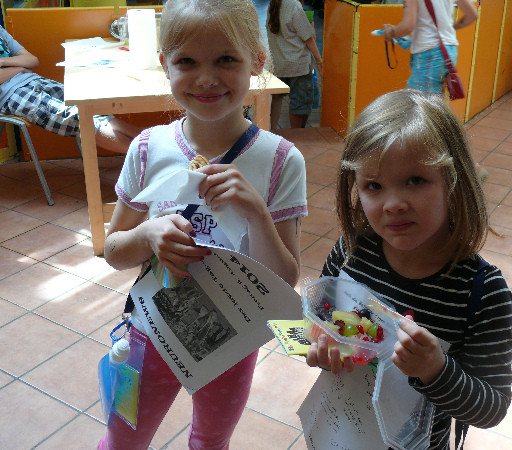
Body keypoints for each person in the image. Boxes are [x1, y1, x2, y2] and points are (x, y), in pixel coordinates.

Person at [98, 0, 307, 447]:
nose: (207, 78)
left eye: (226, 59)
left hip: (230, 342)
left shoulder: (280, 160)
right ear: (165, 65)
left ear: (257, 61)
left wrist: (257, 213)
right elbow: (113, 251)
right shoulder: (147, 149)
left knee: (210, 442)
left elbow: (284, 282)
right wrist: (148, 234)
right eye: (187, 62)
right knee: (122, 440)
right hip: (149, 331)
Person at [305, 89, 512, 449]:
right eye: (374, 186)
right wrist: (319, 347)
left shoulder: (481, 291)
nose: (394, 204)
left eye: (415, 180)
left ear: (453, 180)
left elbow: (491, 408)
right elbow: (316, 322)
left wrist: (435, 369)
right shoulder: (350, 251)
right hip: (336, 434)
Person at [0, 26, 141, 154]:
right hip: (10, 95)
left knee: (90, 107)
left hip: (32, 80)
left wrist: (4, 62)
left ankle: (149, 143)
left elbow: (32, 60)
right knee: (81, 120)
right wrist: (21, 67)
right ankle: (144, 156)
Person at [382, 0, 478, 95]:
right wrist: (449, 29)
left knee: (411, 99)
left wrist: (389, 33)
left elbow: (407, 26)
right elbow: (472, 15)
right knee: (432, 98)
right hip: (449, 50)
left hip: (429, 53)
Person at [267, 0, 323, 129]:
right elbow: (309, 37)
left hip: (279, 63)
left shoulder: (273, 4)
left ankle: (274, 130)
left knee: (277, 98)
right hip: (298, 64)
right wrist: (319, 61)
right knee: (300, 103)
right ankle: (296, 134)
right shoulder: (294, 5)